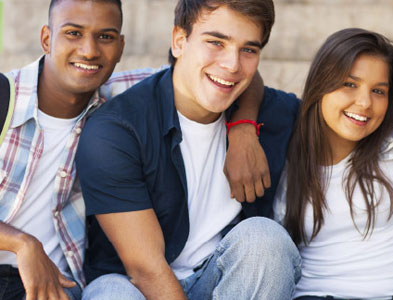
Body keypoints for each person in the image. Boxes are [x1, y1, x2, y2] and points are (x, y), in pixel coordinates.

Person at [0, 0, 267, 299]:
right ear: (47, 39)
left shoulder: (121, 92)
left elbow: (234, 72)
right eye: (74, 33)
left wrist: (244, 128)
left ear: (121, 46)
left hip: (57, 287)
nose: (89, 50)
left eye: (105, 37)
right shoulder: (3, 97)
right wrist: (22, 243)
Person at [76, 0, 301, 299]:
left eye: (248, 49)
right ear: (179, 41)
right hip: (134, 284)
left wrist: (245, 127)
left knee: (265, 240)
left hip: (224, 281)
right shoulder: (117, 130)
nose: (232, 64)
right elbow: (146, 269)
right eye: (215, 42)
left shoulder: (272, 114)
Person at [274, 28, 393, 299]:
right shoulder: (281, 145)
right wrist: (243, 129)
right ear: (321, 82)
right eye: (350, 84)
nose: (365, 102)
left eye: (378, 91)